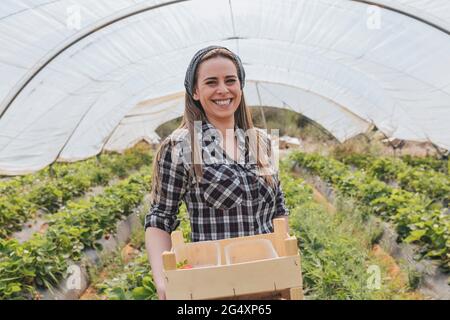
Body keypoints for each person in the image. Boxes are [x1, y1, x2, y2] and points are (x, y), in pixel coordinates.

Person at [144, 45, 290, 300]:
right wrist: (163, 281)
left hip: (270, 283)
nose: (223, 89)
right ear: (196, 91)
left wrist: (285, 262)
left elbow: (278, 209)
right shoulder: (182, 145)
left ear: (240, 87)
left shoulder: (260, 142)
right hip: (216, 287)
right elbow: (160, 218)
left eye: (230, 80)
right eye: (211, 82)